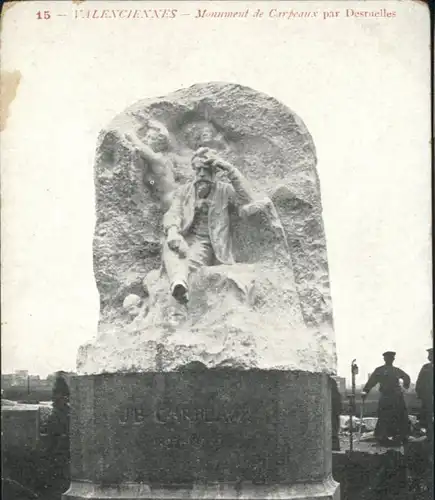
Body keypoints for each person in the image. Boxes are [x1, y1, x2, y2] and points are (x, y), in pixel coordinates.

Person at [162, 147, 254, 303]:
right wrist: (173, 232)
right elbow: (173, 213)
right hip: (185, 237)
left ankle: (179, 283)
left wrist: (229, 169)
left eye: (207, 169)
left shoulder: (224, 191)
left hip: (206, 242)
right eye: (198, 170)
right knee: (168, 245)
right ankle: (178, 282)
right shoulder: (185, 191)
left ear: (215, 171)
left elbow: (247, 199)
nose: (202, 174)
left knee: (192, 258)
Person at [361, 351, 411, 446]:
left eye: (391, 358)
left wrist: (405, 387)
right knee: (384, 416)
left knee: (400, 416)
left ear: (393, 359)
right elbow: (371, 381)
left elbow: (406, 377)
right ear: (385, 359)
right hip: (387, 396)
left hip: (396, 397)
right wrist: (365, 391)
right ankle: (383, 437)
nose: (390, 360)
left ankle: (400, 437)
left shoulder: (395, 370)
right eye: (388, 358)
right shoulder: (380, 370)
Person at [415, 347, 433, 441]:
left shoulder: (426, 367)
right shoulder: (426, 367)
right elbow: (419, 381)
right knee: (427, 416)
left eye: (430, 355)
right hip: (428, 397)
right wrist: (419, 392)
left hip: (429, 396)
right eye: (429, 355)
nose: (429, 357)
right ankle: (429, 435)